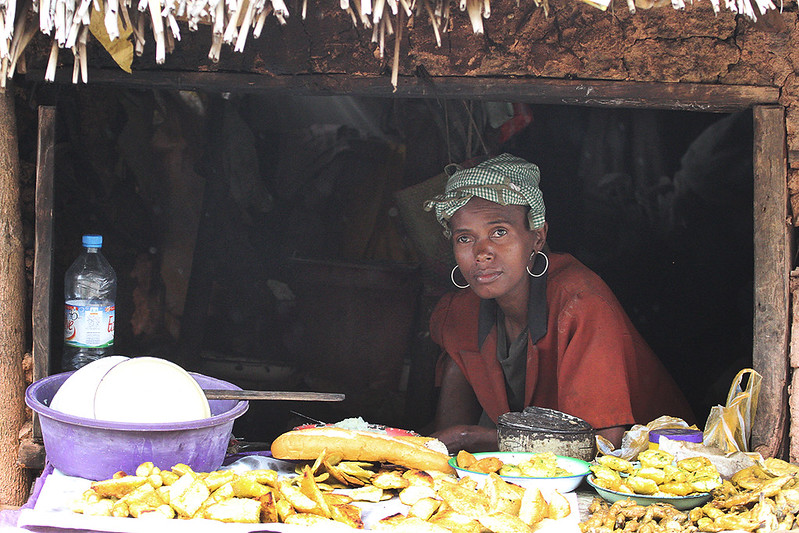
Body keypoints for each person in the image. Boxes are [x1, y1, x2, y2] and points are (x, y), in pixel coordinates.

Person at [423, 153, 695, 453]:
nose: (482, 252)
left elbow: (605, 444)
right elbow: (442, 448)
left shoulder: (581, 304)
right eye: (465, 238)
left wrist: (475, 438)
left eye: (499, 232)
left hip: (652, 474)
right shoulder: (460, 314)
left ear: (537, 237)